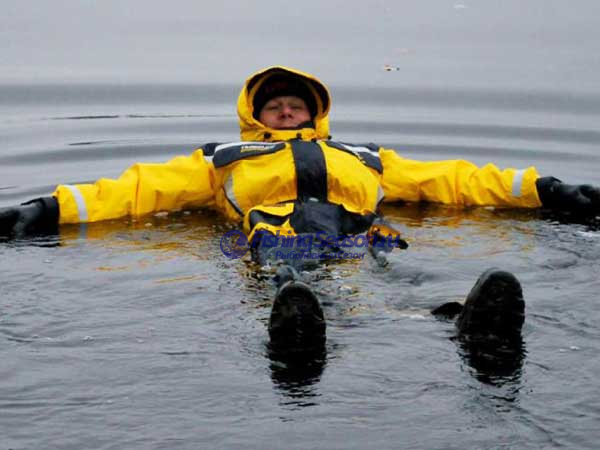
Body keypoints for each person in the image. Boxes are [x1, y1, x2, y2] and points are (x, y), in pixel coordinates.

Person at [1, 66, 600, 354]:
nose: (286, 112)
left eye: (295, 105)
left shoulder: (366, 158)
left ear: (315, 111)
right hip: (270, 239)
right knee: (290, 283)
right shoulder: (222, 160)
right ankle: (293, 331)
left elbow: (456, 181)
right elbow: (135, 189)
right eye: (274, 107)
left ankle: (465, 324)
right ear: (254, 116)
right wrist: (48, 209)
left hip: (361, 240)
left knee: (384, 287)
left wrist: (545, 190)